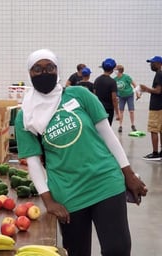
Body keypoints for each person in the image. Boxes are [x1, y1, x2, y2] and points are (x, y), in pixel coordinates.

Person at [15, 49, 147, 256]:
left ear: (57, 70)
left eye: (50, 68)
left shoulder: (80, 95)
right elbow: (33, 162)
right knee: (77, 252)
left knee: (118, 249)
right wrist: (48, 200)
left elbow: (108, 135)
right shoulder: (26, 115)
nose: (44, 73)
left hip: (105, 181)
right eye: (37, 69)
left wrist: (128, 174)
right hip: (68, 192)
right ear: (29, 73)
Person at [140, 56, 162, 160]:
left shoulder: (159, 74)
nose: (151, 65)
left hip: (156, 107)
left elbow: (158, 91)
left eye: (152, 63)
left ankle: (155, 153)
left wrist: (146, 89)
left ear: (158, 64)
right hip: (160, 106)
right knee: (161, 129)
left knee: (154, 130)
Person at [114, 64, 140, 133]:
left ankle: (132, 125)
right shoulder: (115, 79)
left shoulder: (126, 77)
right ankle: (120, 126)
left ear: (119, 71)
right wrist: (116, 96)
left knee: (131, 111)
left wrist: (137, 93)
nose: (115, 71)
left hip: (129, 95)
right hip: (121, 96)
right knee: (121, 111)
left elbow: (134, 84)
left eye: (116, 69)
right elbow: (114, 89)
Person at [94, 58, 120, 125]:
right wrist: (117, 113)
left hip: (98, 109)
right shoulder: (112, 82)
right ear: (112, 70)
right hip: (108, 110)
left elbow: (94, 95)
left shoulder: (97, 80)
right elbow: (114, 99)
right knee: (107, 128)